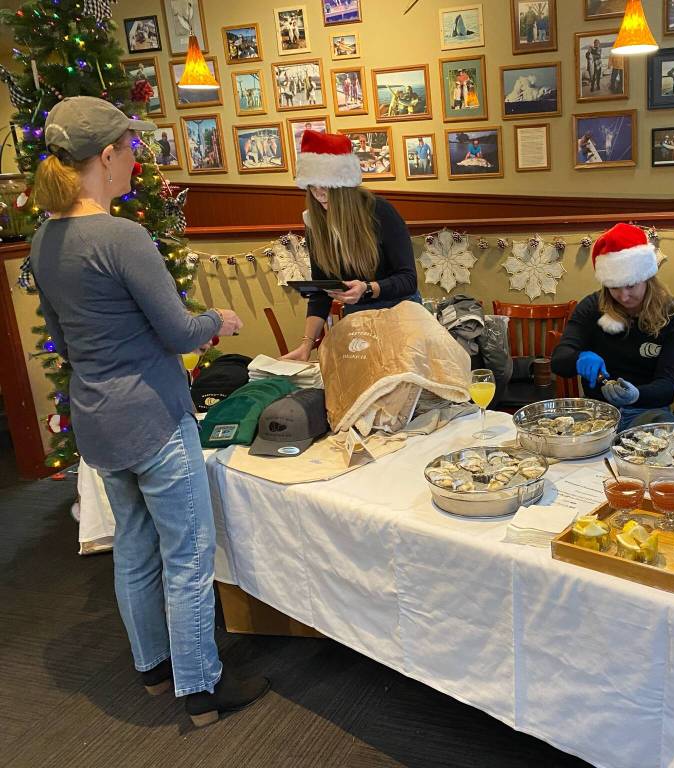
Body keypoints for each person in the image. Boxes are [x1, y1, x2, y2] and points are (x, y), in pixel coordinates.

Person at [28, 96, 267, 725]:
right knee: (188, 554)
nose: (136, 160)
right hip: (153, 418)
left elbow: (63, 340)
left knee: (134, 546)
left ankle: (155, 670)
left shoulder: (44, 240)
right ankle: (202, 688)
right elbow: (179, 331)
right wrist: (219, 320)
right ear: (106, 157)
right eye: (130, 150)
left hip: (97, 421)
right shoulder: (122, 236)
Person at [283, 131, 419, 361]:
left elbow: (408, 279)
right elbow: (321, 294)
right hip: (359, 321)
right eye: (312, 186)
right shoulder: (315, 223)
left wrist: (368, 288)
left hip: (401, 315)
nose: (319, 194)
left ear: (343, 186)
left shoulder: (379, 211)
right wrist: (306, 345)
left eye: (326, 185)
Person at [552, 223, 674, 431]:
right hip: (598, 413)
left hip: (647, 411)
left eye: (631, 285)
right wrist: (578, 358)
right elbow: (559, 361)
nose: (623, 296)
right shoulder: (592, 307)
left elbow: (666, 386)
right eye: (614, 287)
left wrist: (636, 395)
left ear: (646, 278)